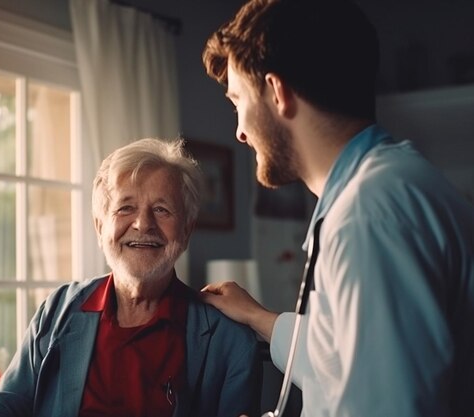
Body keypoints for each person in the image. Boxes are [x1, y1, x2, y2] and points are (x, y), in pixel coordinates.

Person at [199, 0, 474, 416]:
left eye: (238, 101)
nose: (239, 131)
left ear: (277, 93)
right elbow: (341, 354)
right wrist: (258, 317)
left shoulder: (370, 216)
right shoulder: (386, 185)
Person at [0, 137, 263, 417]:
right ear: (100, 228)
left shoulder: (230, 340)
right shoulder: (57, 308)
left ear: (186, 230)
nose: (143, 224)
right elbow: (3, 405)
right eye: (126, 207)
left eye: (161, 209)